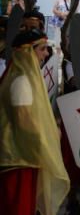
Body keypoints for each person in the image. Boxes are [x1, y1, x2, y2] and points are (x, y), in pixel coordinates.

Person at [0, 29, 69, 215]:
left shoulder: (19, 77)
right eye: (42, 49)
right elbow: (24, 122)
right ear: (28, 51)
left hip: (23, 156)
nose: (46, 54)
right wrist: (49, 138)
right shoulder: (21, 81)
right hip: (19, 158)